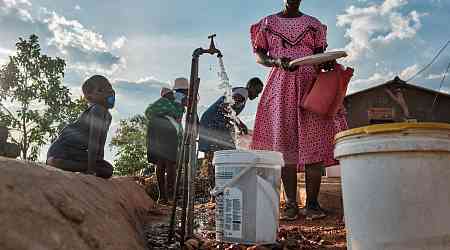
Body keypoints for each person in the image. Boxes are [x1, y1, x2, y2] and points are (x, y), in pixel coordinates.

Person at [250, 0, 348, 221]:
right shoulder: (268, 23)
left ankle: (312, 204)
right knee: (285, 146)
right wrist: (276, 61)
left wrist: (328, 64)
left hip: (312, 86)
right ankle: (291, 204)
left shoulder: (313, 24)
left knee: (314, 143)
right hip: (281, 85)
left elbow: (321, 57)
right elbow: (260, 55)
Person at [198, 77, 263, 191]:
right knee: (225, 154)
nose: (257, 95)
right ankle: (217, 189)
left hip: (211, 122)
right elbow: (225, 107)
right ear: (250, 86)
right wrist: (239, 123)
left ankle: (215, 189)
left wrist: (237, 125)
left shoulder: (241, 93)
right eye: (257, 91)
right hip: (212, 124)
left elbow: (228, 112)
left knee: (217, 156)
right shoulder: (242, 93)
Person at [47, 75, 115, 179]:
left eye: (110, 86)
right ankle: (56, 162)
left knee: (107, 170)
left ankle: (62, 163)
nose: (110, 91)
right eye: (101, 89)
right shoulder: (97, 109)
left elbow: (100, 146)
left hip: (75, 153)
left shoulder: (108, 117)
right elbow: (94, 142)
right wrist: (92, 170)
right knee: (101, 169)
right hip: (61, 150)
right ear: (89, 97)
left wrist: (98, 164)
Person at [145, 78, 188, 203]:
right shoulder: (180, 96)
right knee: (170, 163)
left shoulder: (168, 98)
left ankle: (162, 197)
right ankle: (170, 196)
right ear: (185, 89)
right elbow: (179, 114)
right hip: (167, 131)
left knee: (160, 163)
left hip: (155, 130)